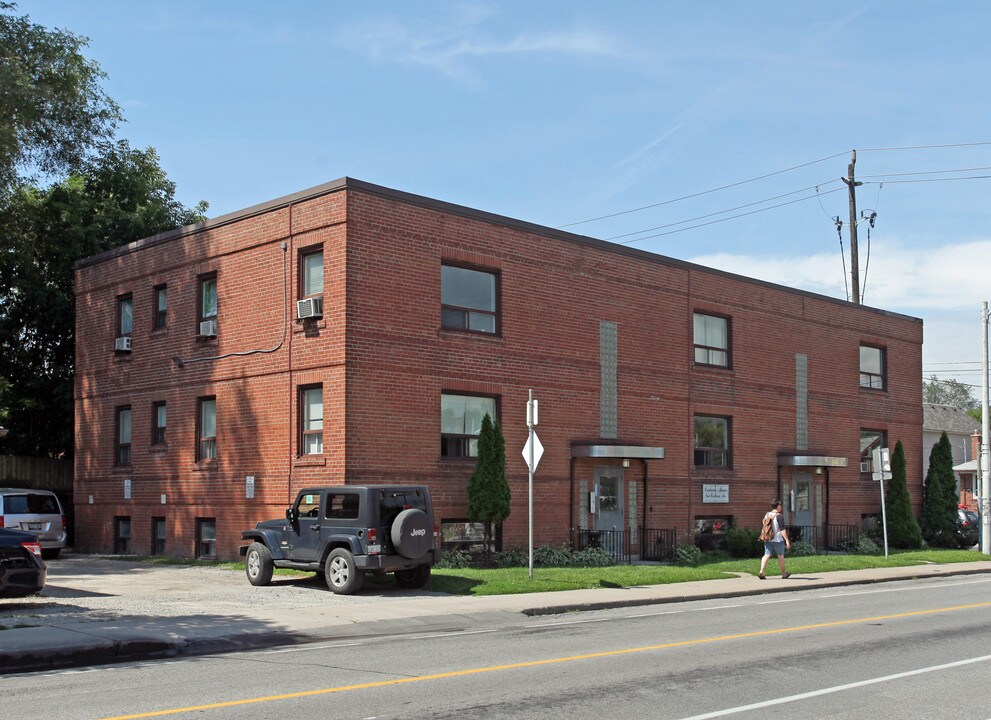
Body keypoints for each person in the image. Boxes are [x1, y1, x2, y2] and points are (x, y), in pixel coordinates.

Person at [758, 499, 791, 580]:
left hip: (768, 539)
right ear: (778, 506)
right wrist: (787, 540)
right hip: (778, 540)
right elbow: (782, 529)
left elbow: (764, 524)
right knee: (781, 556)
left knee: (766, 555)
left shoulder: (767, 514)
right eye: (780, 505)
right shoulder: (779, 516)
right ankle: (784, 574)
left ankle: (762, 571)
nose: (781, 507)